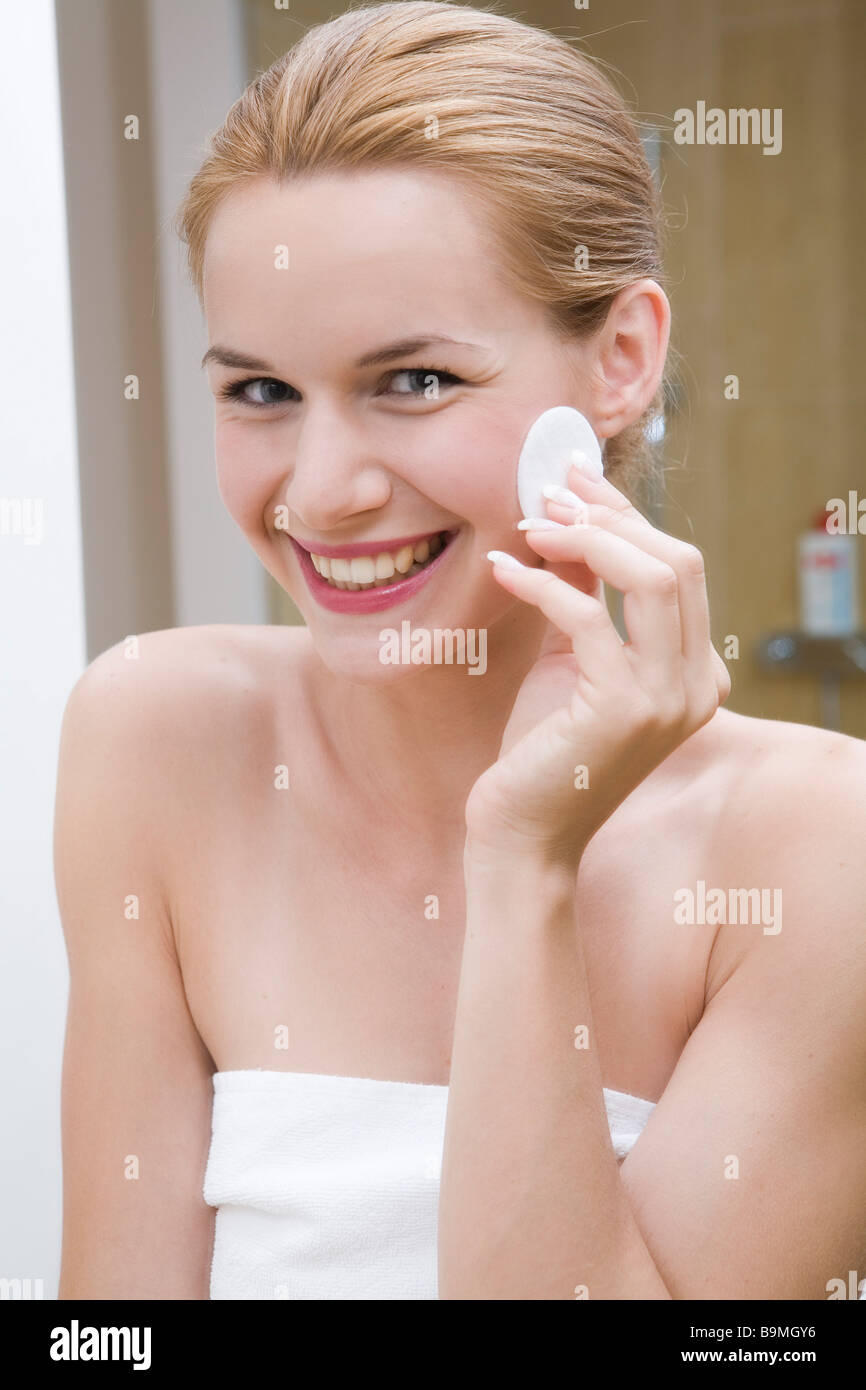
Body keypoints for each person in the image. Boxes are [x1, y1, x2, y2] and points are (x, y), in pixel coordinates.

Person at [55, 1, 866, 1300]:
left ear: (619, 361)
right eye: (259, 390)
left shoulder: (822, 854)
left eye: (414, 380)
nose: (319, 494)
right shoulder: (154, 736)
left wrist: (522, 864)